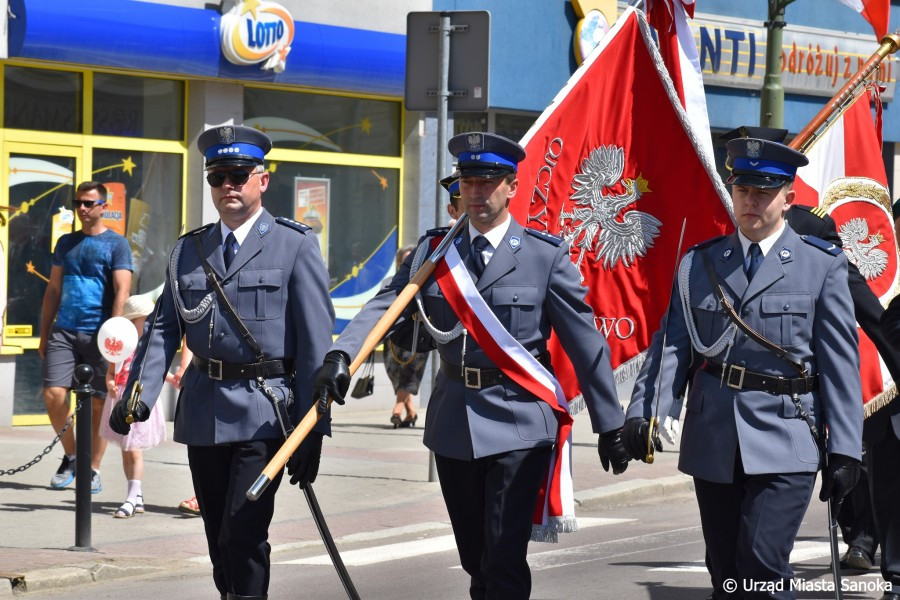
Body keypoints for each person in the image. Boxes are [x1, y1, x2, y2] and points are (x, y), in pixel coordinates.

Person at [312, 132, 631, 599]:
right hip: (455, 419)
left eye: (487, 182)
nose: (476, 193)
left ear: (511, 187)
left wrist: (610, 422)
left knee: (503, 556)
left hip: (520, 420)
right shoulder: (434, 253)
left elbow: (586, 342)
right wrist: (342, 354)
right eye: (468, 182)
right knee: (475, 557)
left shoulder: (545, 256)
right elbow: (385, 305)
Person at [624, 134, 863, 599]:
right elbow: (673, 344)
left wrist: (847, 450)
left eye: (764, 192)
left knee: (761, 563)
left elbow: (839, 366)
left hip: (787, 433)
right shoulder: (700, 263)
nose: (750, 201)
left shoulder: (821, 267)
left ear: (789, 199)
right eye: (743, 190)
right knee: (726, 573)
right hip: (714, 435)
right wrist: (645, 411)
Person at [108, 125, 334, 600]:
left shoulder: (294, 244)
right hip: (205, 407)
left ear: (262, 180)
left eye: (237, 175)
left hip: (265, 411)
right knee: (217, 536)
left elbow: (315, 340)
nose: (227, 186)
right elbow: (164, 328)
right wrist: (140, 396)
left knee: (244, 531)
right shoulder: (189, 249)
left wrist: (312, 425)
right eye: (217, 177)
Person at [39, 181, 133, 493]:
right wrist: (44, 333)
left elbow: (122, 291)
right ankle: (72, 455)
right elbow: (53, 289)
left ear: (103, 207)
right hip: (64, 331)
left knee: (97, 405)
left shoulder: (117, 245)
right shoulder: (66, 242)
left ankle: (91, 469)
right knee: (53, 394)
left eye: (89, 203)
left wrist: (114, 337)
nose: (82, 208)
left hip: (101, 335)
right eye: (79, 202)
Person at [99, 294, 167, 518]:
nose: (147, 324)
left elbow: (156, 371)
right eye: (143, 320)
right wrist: (110, 383)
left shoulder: (148, 347)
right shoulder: (118, 348)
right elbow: (111, 372)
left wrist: (173, 376)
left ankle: (131, 497)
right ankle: (136, 494)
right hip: (119, 400)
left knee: (134, 451)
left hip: (137, 403)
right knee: (126, 451)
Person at [384, 244, 426, 428]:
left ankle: (397, 411)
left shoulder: (425, 282)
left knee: (409, 374)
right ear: (399, 263)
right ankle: (411, 413)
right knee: (394, 373)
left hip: (418, 335)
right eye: (404, 261)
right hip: (393, 337)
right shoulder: (389, 282)